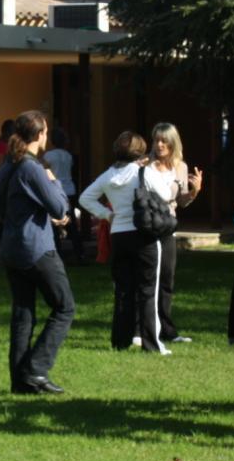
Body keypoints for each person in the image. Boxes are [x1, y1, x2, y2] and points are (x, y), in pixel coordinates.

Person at [0, 110, 75, 394]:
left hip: (11, 248)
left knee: (23, 314)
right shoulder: (32, 168)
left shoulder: (5, 167)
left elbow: (8, 209)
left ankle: (20, 381)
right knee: (64, 307)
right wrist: (53, 181)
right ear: (40, 135)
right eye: (46, 131)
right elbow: (60, 207)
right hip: (36, 248)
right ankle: (36, 369)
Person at [80, 131, 170, 354]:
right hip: (144, 233)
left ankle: (120, 341)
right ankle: (152, 344)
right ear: (140, 151)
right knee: (148, 290)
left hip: (119, 234)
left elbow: (85, 198)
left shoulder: (107, 175)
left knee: (123, 290)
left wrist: (107, 215)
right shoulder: (143, 172)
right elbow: (166, 194)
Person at [148, 123, 203, 343]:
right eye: (156, 140)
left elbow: (181, 201)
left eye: (164, 141)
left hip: (168, 226)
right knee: (147, 279)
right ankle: (141, 329)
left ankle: (167, 330)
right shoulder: (145, 164)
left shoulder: (180, 167)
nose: (159, 145)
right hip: (147, 225)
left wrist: (195, 191)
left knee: (166, 278)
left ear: (173, 143)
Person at [44, 127, 84, 264]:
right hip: (70, 190)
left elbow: (45, 170)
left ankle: (58, 254)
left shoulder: (48, 156)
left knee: (54, 222)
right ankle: (79, 253)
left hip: (56, 190)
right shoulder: (68, 155)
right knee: (71, 223)